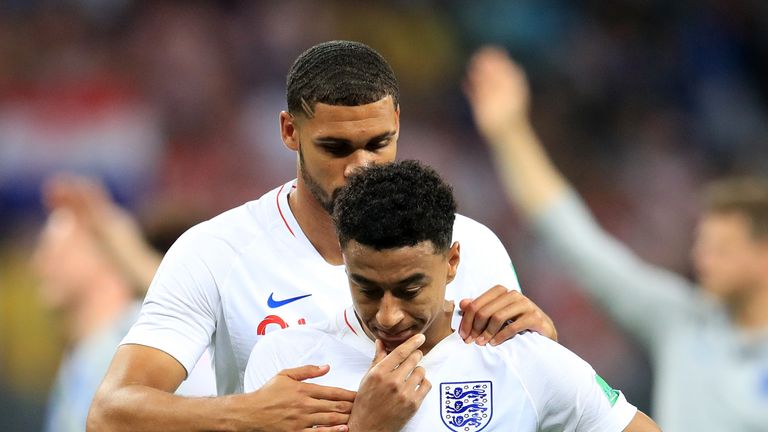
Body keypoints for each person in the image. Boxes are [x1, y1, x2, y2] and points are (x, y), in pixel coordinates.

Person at [88, 40, 558, 432]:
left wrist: (544, 343)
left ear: (397, 122)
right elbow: (111, 412)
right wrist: (246, 413)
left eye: (378, 143)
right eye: (335, 148)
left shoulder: (471, 245)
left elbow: (521, 392)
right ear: (290, 131)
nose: (361, 167)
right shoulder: (216, 252)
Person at [463, 46, 768, 431]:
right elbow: (577, 241)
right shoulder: (680, 319)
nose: (701, 259)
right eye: (701, 245)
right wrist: (510, 132)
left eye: (721, 249)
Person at [244, 160, 660, 431]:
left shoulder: (518, 357)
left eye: (410, 289)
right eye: (366, 288)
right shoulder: (290, 363)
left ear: (452, 262)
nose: (387, 316)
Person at [33, 175, 216, 432]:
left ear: (107, 254)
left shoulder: (141, 335)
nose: (40, 263)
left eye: (55, 249)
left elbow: (204, 319)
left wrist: (119, 240)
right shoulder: (81, 353)